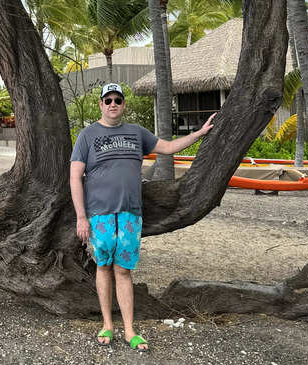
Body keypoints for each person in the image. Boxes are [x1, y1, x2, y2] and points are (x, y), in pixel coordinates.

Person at [69, 82, 215, 351]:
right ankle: (107, 324)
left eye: (117, 100)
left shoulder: (137, 133)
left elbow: (169, 147)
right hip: (99, 214)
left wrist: (200, 133)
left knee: (123, 271)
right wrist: (80, 217)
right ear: (101, 105)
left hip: (130, 215)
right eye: (108, 100)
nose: (113, 104)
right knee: (103, 267)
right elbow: (75, 176)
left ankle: (129, 330)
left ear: (123, 105)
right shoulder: (87, 136)